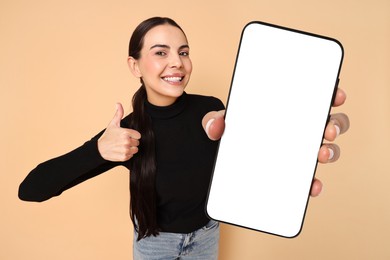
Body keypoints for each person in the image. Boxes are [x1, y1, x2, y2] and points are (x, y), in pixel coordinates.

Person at [18, 17, 350, 259]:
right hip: (153, 244)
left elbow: (249, 158)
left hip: (206, 239)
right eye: (161, 52)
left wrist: (301, 135)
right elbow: (31, 189)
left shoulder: (213, 110)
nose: (177, 62)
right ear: (135, 66)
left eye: (184, 51)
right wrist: (98, 150)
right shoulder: (129, 131)